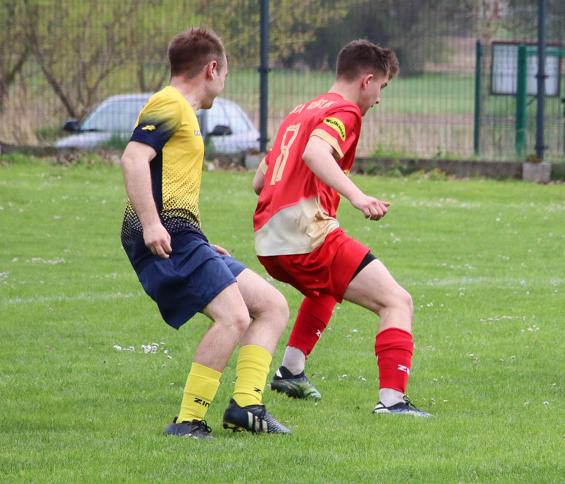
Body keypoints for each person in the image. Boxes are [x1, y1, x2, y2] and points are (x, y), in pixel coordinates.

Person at [120, 27, 292, 437]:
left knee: (271, 305)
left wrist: (197, 237)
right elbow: (132, 159)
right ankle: (188, 420)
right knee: (233, 317)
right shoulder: (170, 103)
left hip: (184, 233)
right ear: (212, 68)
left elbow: (170, 179)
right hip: (167, 235)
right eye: (226, 75)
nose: (224, 83)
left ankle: (247, 407)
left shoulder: (184, 113)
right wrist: (151, 224)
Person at [253, 39, 431, 417]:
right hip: (306, 232)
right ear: (366, 80)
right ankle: (392, 402)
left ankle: (291, 370)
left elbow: (259, 181)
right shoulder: (346, 111)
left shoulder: (301, 111)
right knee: (397, 301)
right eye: (381, 88)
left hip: (268, 237)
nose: (379, 99)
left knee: (327, 288)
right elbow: (315, 153)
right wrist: (357, 196)